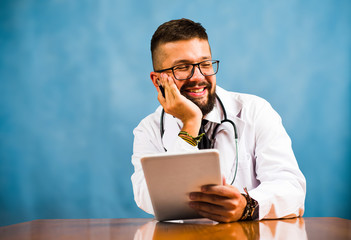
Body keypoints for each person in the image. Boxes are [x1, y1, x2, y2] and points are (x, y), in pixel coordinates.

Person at [131, 18, 306, 223]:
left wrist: (246, 206)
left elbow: (291, 188)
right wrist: (191, 123)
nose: (198, 77)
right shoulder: (149, 129)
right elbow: (148, 197)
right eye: (182, 67)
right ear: (157, 80)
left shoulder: (255, 111)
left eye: (205, 64)